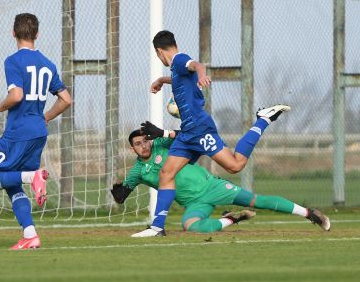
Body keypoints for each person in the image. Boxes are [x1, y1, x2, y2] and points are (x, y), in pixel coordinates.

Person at [134, 30, 291, 237]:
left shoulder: (180, 59)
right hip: (188, 133)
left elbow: (196, 65)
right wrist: (162, 80)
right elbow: (181, 77)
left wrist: (202, 75)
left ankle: (263, 119)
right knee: (166, 173)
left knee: (235, 165)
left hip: (199, 129)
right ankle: (157, 227)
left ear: (158, 51)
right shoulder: (175, 68)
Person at [112, 127, 330, 237]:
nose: (144, 145)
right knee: (191, 226)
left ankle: (309, 213)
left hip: (212, 187)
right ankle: (232, 220)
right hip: (194, 204)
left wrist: (161, 132)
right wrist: (118, 192)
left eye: (145, 140)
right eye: (138, 144)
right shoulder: (137, 171)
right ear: (132, 149)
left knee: (257, 200)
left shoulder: (161, 144)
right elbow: (123, 195)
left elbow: (187, 135)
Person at [0, 13, 71, 250]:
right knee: (12, 183)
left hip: (17, 133)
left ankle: (33, 177)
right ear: (37, 35)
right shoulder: (48, 64)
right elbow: (66, 99)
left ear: (13, 33)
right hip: (38, 132)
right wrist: (45, 117)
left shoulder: (13, 61)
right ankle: (30, 235)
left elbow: (16, 95)